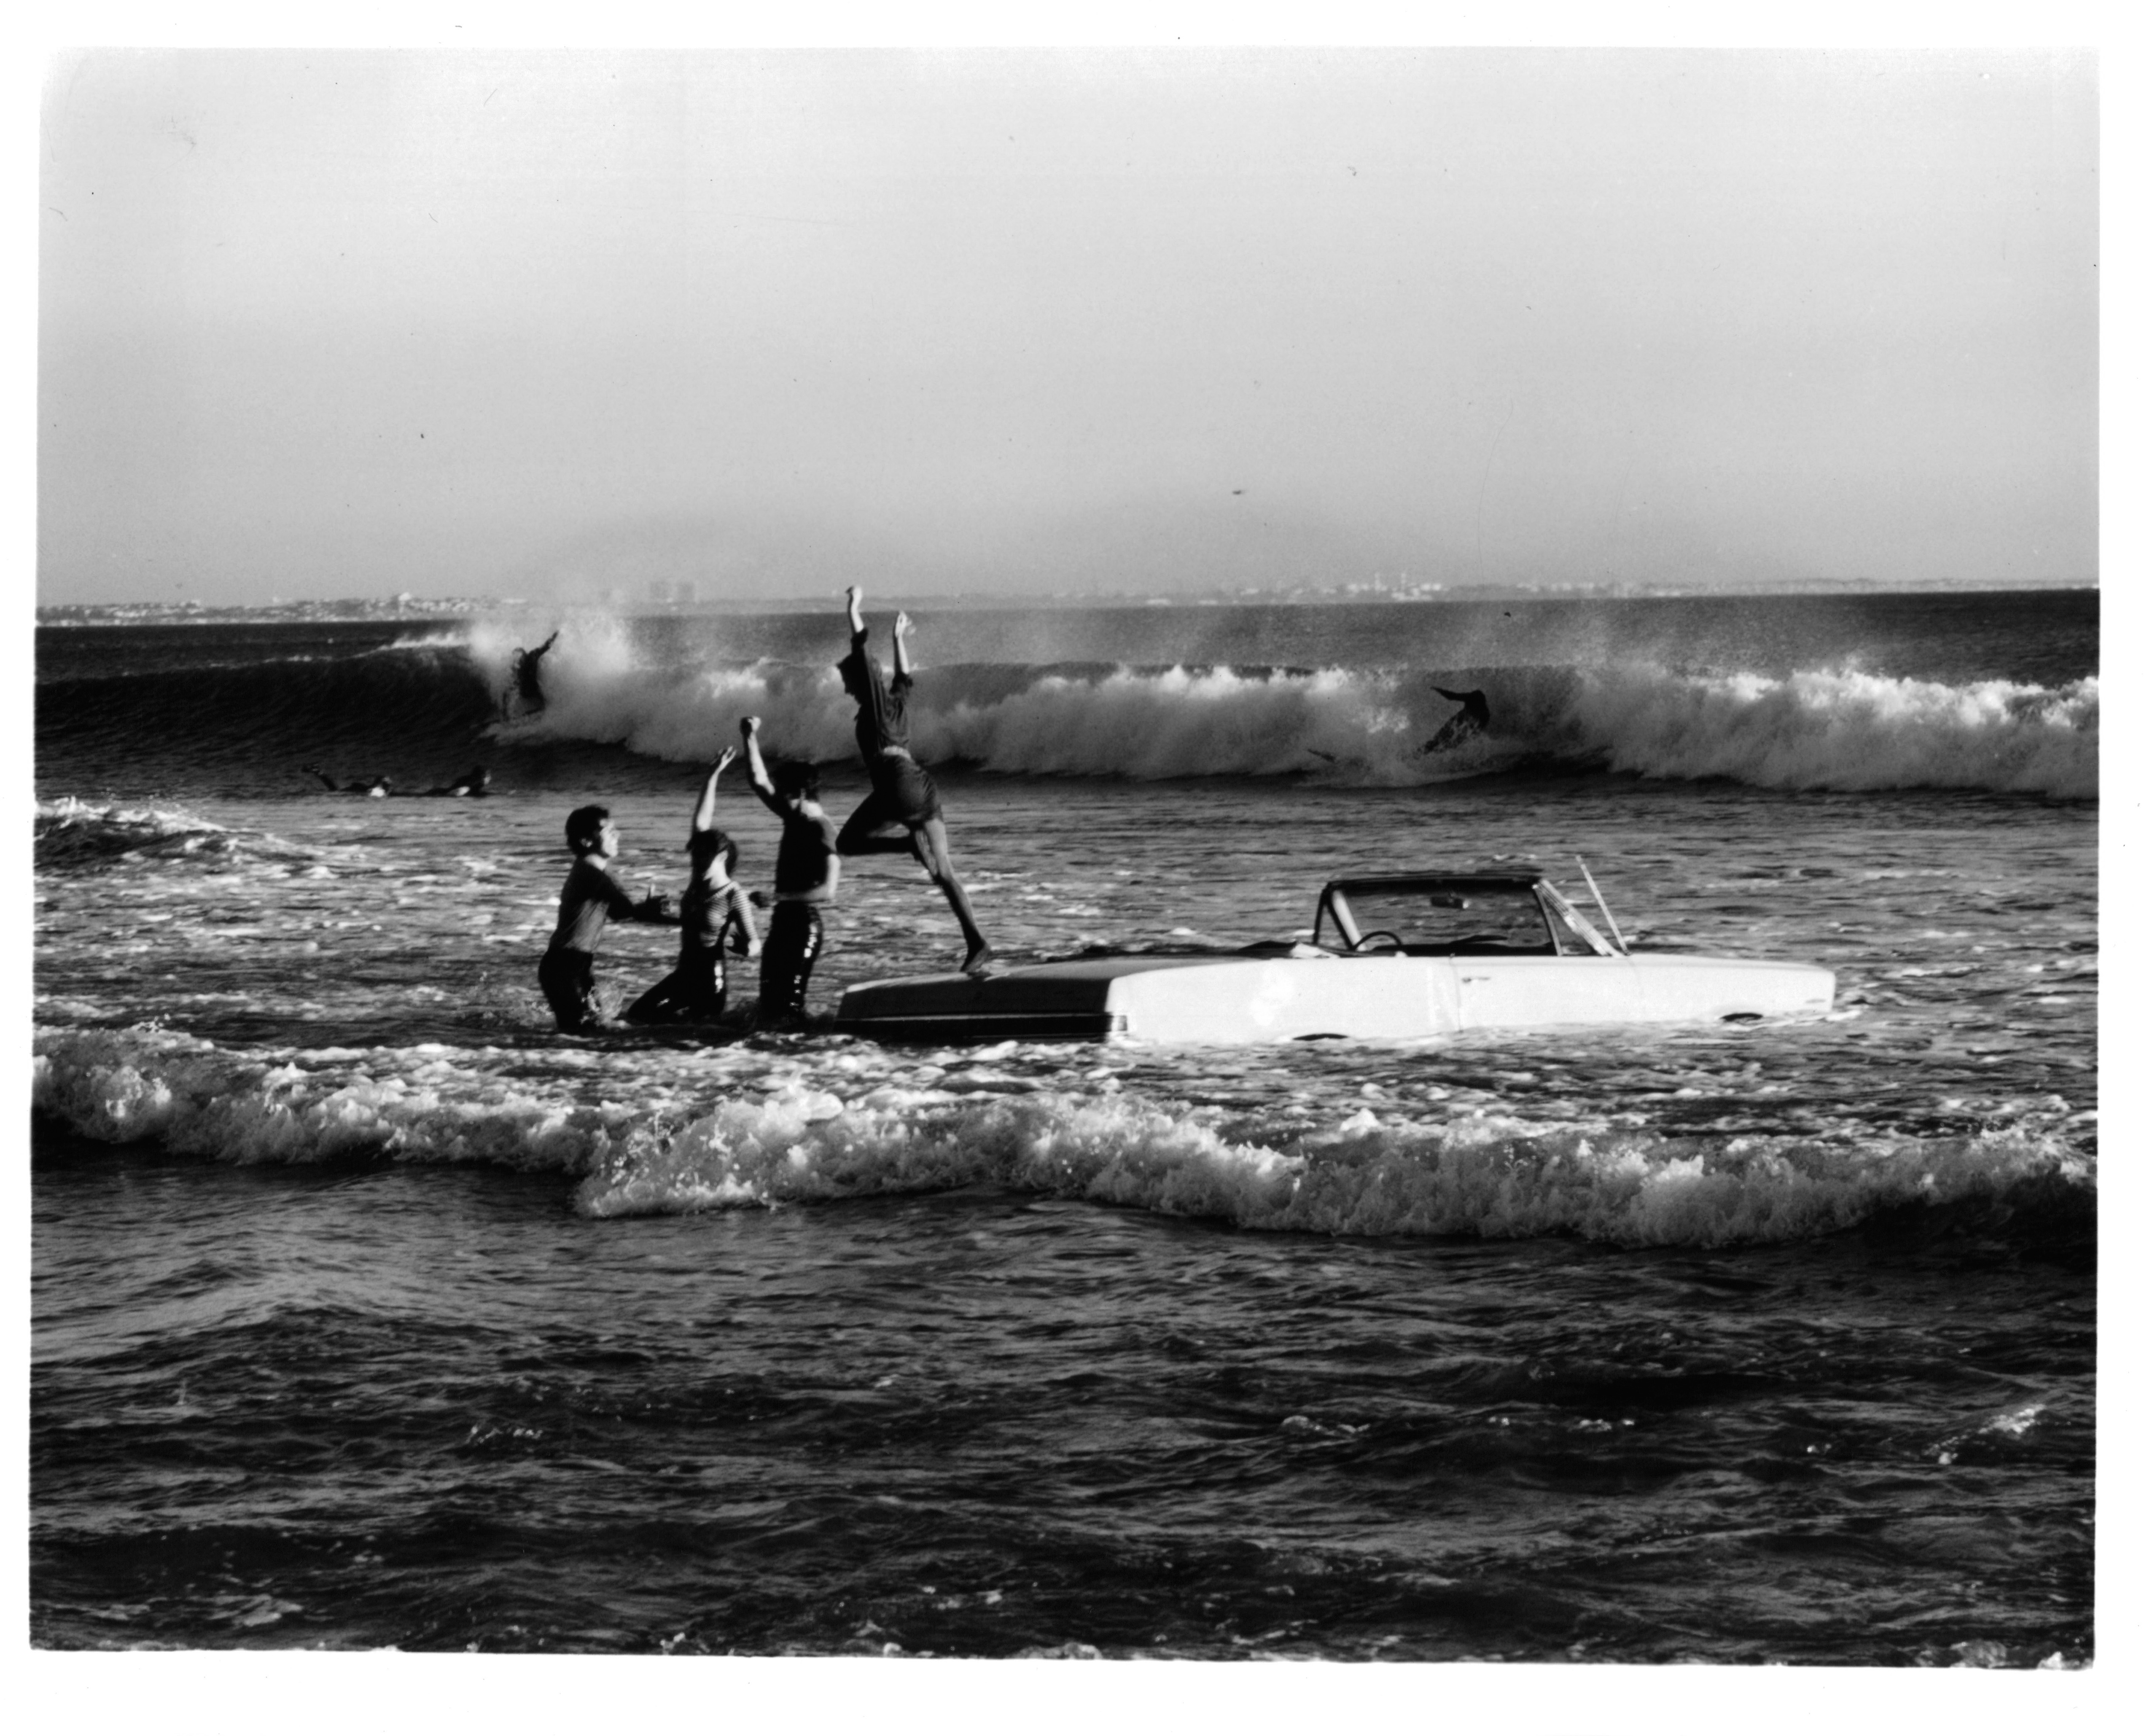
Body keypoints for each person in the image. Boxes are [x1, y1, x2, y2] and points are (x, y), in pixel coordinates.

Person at [833, 587, 994, 975]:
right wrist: (899, 638)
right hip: (924, 785)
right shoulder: (897, 705)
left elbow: (862, 650)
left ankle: (906, 844)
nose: (845, 687)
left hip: (896, 784)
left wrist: (853, 608)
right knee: (944, 872)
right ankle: (977, 941)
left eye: (846, 681)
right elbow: (904, 677)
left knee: (847, 843)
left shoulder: (872, 700)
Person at [623, 748, 760, 1026]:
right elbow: (701, 823)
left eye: (703, 857)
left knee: (693, 1040)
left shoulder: (734, 895)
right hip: (684, 972)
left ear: (722, 857)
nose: (696, 862)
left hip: (710, 979)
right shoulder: (697, 882)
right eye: (694, 855)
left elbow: (755, 942)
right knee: (639, 1015)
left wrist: (747, 948)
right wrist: (712, 776)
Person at [536, 804, 675, 1034]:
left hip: (572, 967)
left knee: (591, 1032)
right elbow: (627, 910)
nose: (617, 835)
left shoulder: (595, 874)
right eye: (609, 831)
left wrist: (645, 910)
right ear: (586, 841)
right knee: (586, 1036)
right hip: (564, 968)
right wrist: (683, 921)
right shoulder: (592, 875)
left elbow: (619, 913)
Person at [740, 715, 839, 1029]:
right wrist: (749, 736)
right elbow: (759, 781)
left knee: (789, 1004)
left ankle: (804, 1054)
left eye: (783, 791)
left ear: (799, 793)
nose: (777, 796)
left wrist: (778, 896)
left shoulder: (823, 831)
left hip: (804, 927)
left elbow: (828, 890)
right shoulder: (793, 816)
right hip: (782, 923)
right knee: (769, 1003)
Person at [1422, 686, 1491, 754]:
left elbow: (1451, 696)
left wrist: (1438, 690)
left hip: (1462, 722)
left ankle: (1425, 752)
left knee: (1440, 740)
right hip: (1463, 723)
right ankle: (1431, 753)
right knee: (1449, 744)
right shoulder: (1483, 709)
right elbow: (1451, 696)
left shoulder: (1473, 700)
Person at [506, 630, 559, 717]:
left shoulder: (533, 655)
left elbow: (546, 647)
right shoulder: (518, 665)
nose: (518, 660)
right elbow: (516, 682)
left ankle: (547, 708)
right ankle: (512, 715)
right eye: (516, 658)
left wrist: (554, 637)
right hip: (525, 692)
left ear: (524, 654)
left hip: (533, 688)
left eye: (520, 657)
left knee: (535, 687)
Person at [302, 765, 393, 797]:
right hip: (357, 789)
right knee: (335, 790)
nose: (389, 788)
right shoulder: (378, 792)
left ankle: (318, 772)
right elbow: (373, 790)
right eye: (388, 786)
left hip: (359, 788)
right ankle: (318, 772)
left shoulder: (378, 791)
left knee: (334, 789)